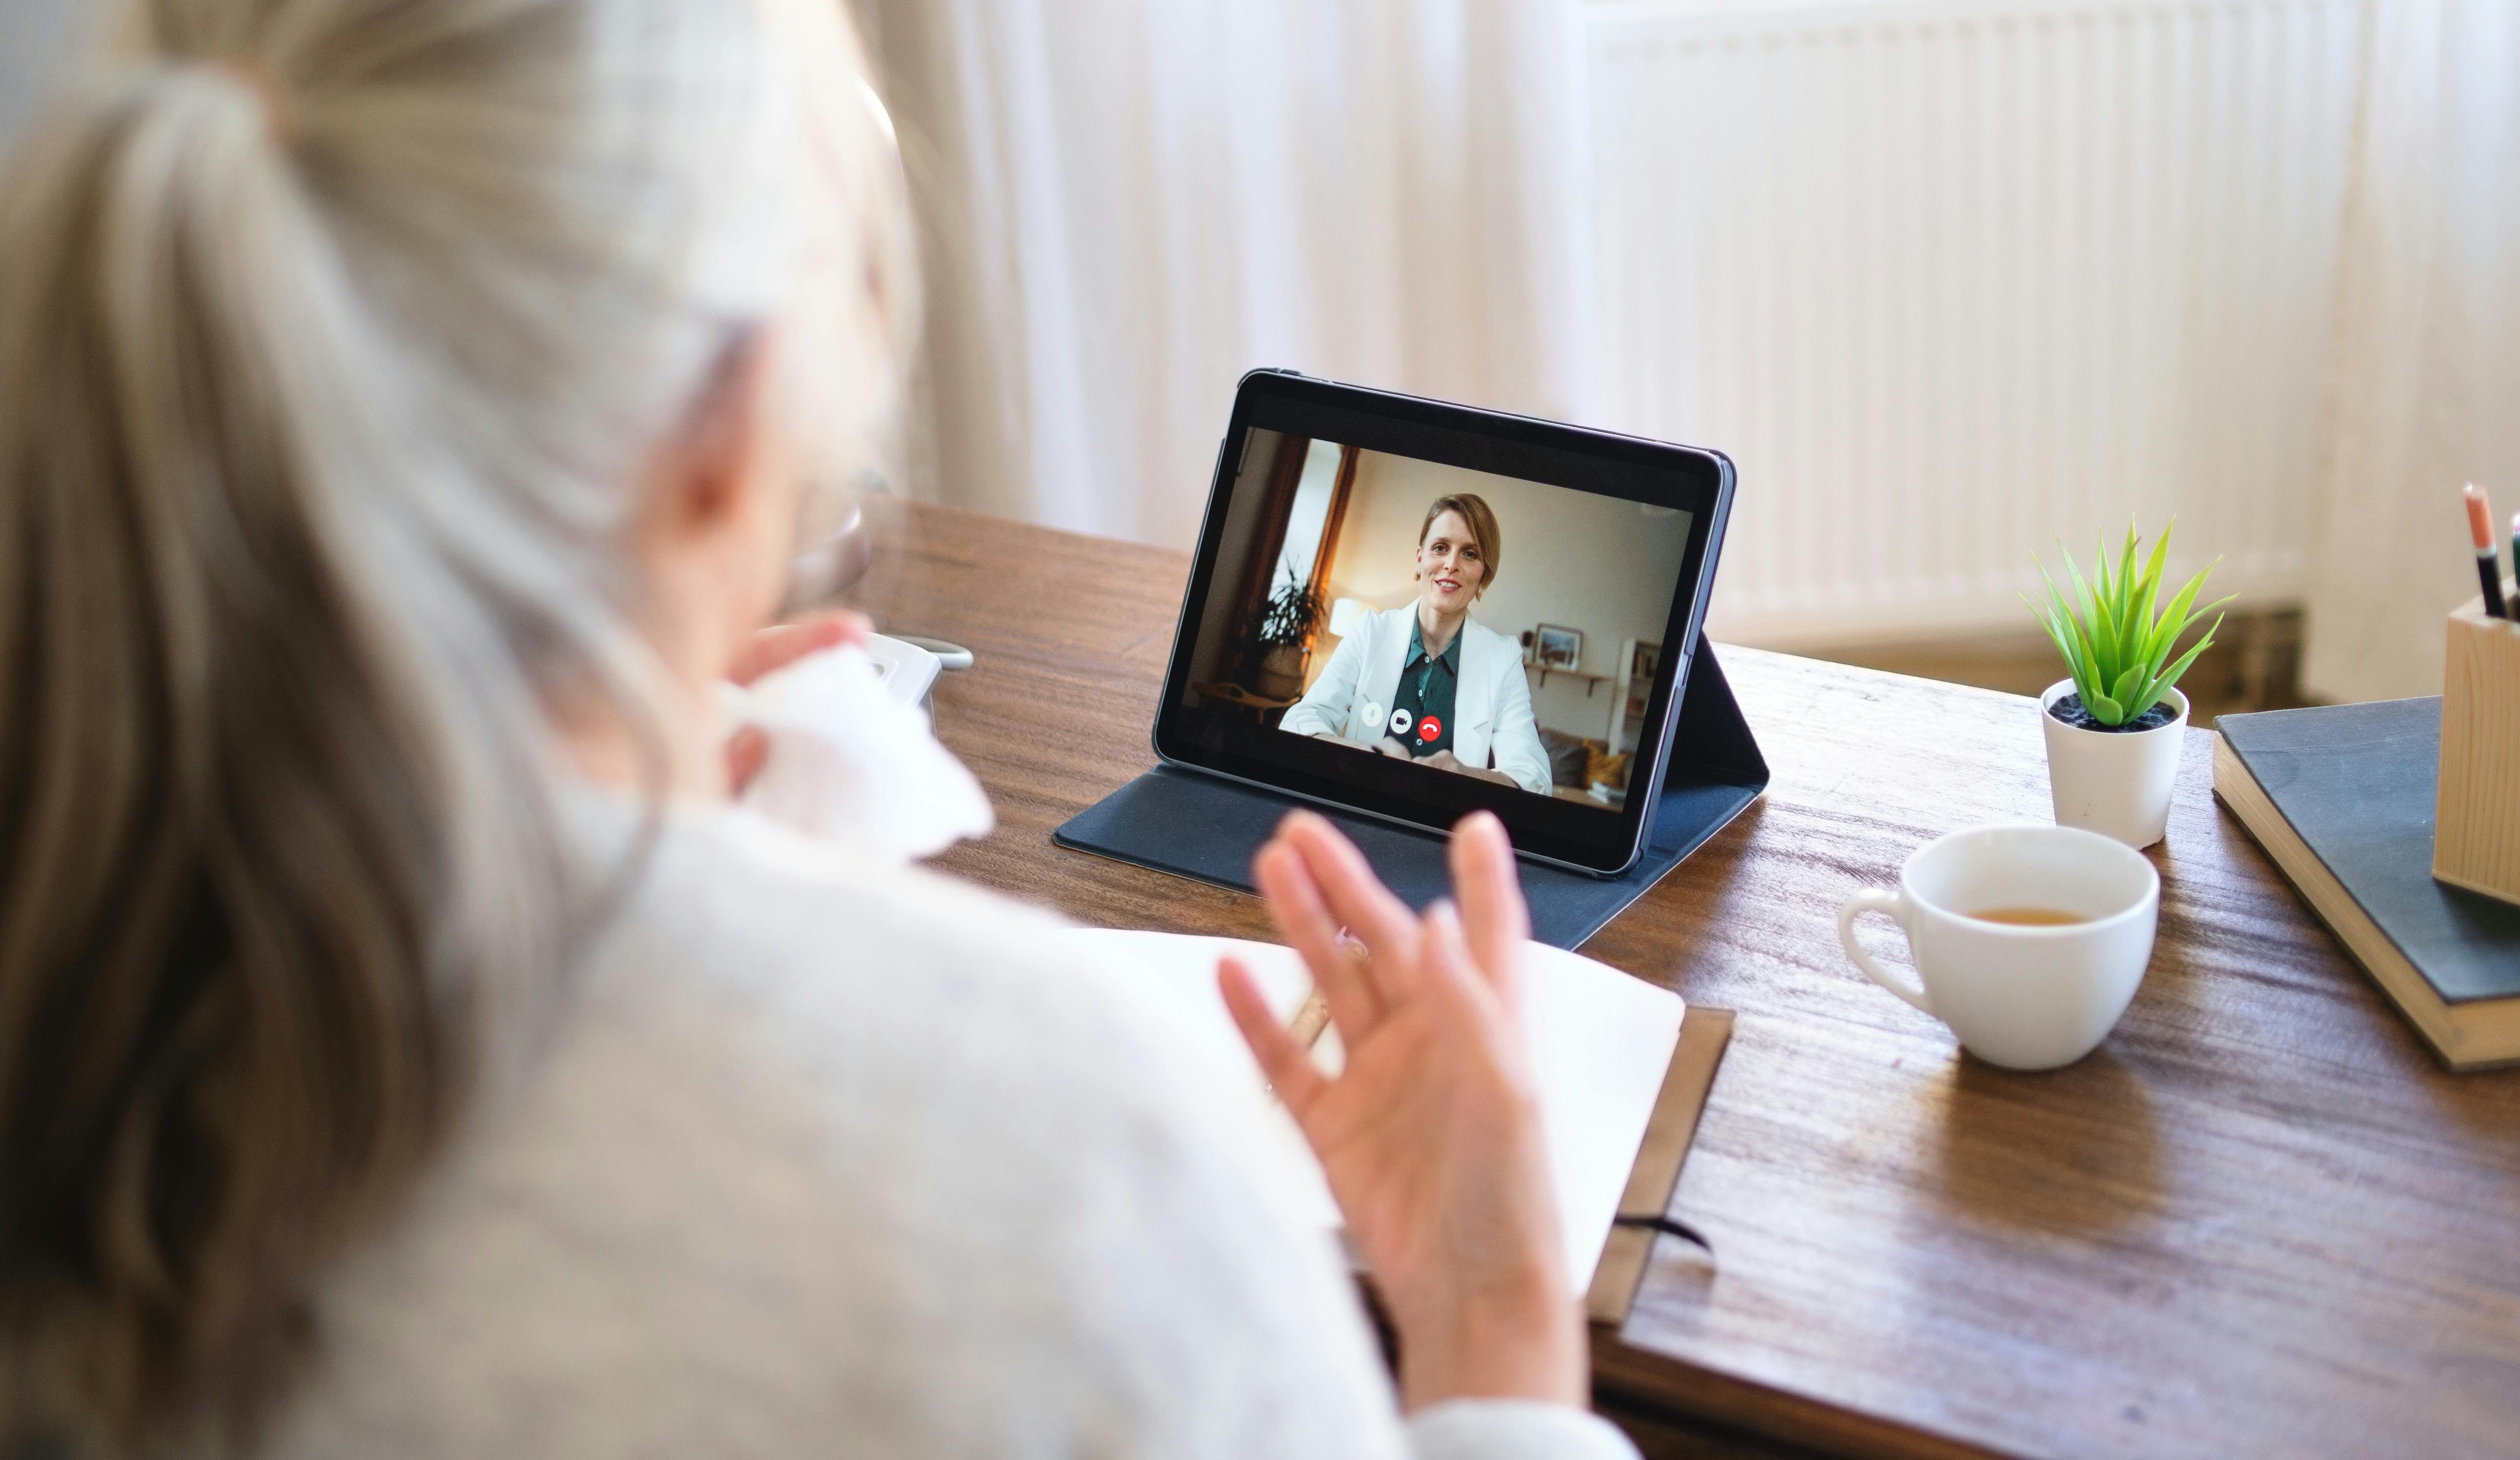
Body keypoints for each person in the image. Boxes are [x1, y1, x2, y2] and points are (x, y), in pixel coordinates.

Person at [0, 2, 1638, 1458]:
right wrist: (1493, 1334)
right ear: (727, 436)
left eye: (1451, 556)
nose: (1435, 566)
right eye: (1426, 544)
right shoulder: (1072, 1156)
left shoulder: (70, 964)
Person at [1283, 494, 1555, 796]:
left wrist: (1465, 775)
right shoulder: (1371, 631)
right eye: (1440, 548)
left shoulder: (1504, 658)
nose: (1451, 564)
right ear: (1420, 558)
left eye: (1470, 554)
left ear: (1484, 575)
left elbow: (1534, 777)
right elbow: (1299, 722)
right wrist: (1367, 756)